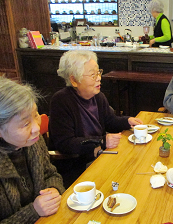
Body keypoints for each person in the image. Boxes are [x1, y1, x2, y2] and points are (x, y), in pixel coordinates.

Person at [0, 77, 65, 224]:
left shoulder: (31, 142)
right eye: (25, 124)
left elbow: (51, 173)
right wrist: (33, 211)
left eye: (36, 115)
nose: (36, 128)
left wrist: (54, 189)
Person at [49, 50, 142, 187]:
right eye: (93, 75)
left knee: (134, 165)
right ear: (74, 80)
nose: (99, 78)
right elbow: (65, 143)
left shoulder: (98, 97)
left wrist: (127, 121)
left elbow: (110, 121)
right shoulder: (61, 101)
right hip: (76, 165)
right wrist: (101, 141)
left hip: (98, 155)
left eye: (98, 72)